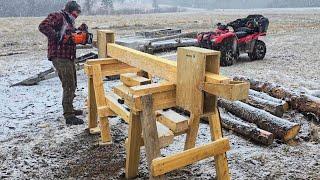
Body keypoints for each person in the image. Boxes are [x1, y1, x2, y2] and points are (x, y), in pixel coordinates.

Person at [39, 1, 87, 125]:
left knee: (73, 83)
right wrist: (57, 37)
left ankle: (69, 108)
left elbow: (69, 33)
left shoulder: (68, 20)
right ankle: (69, 116)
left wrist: (79, 31)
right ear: (70, 10)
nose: (77, 15)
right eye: (76, 12)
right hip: (60, 56)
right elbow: (43, 26)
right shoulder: (58, 16)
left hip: (68, 56)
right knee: (68, 84)